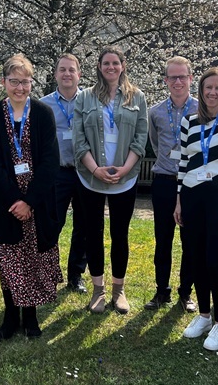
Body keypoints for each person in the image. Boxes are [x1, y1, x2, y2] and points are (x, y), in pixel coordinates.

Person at [0, 54, 62, 339]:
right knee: (9, 258)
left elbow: (51, 161)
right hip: (5, 201)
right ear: (3, 82)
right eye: (14, 81)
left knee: (34, 258)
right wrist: (15, 200)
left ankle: (30, 315)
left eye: (25, 81)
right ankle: (10, 315)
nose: (20, 87)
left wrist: (29, 201)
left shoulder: (43, 113)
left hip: (37, 201)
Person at [73, 46, 148, 314]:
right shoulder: (85, 97)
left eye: (115, 63)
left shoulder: (137, 97)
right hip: (90, 177)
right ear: (99, 66)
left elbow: (141, 137)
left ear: (123, 65)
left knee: (120, 234)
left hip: (125, 177)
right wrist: (95, 170)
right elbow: (79, 139)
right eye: (106, 63)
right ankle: (98, 290)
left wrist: (126, 168)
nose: (111, 67)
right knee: (93, 233)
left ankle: (119, 290)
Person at [174, 67, 218, 351]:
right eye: (208, 88)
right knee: (196, 258)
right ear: (201, 91)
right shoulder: (189, 122)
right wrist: (178, 199)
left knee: (216, 261)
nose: (212, 93)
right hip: (191, 197)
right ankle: (204, 315)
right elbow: (183, 163)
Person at [144, 56, 197, 312]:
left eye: (182, 77)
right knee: (163, 239)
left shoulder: (202, 109)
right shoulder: (155, 112)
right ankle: (161, 290)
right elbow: (156, 144)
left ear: (190, 78)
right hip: (164, 181)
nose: (178, 82)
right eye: (173, 77)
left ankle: (186, 292)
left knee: (190, 240)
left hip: (192, 184)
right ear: (165, 80)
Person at [40, 54, 88, 293]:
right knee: (51, 224)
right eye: (62, 70)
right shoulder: (43, 105)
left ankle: (76, 276)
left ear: (79, 74)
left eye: (71, 70)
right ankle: (48, 274)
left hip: (85, 172)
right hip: (56, 173)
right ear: (56, 74)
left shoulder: (90, 101)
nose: (67, 74)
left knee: (84, 226)